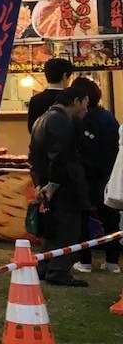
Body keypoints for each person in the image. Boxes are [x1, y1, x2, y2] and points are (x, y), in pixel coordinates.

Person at [28, 78, 93, 286]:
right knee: (67, 229)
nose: (86, 109)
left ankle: (45, 267)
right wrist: (53, 184)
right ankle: (58, 271)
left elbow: (34, 156)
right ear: (75, 101)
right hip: (64, 186)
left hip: (49, 184)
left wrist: (39, 183)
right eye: (85, 103)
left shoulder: (42, 119)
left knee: (53, 228)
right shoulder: (60, 120)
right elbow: (60, 155)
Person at [75, 78, 120, 274]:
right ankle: (112, 262)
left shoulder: (81, 119)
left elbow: (80, 151)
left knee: (83, 220)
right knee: (110, 220)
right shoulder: (109, 117)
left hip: (86, 177)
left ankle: (85, 261)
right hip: (109, 176)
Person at [26, 57, 74, 133]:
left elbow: (31, 128)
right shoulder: (72, 99)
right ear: (64, 76)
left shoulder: (35, 100)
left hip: (41, 144)